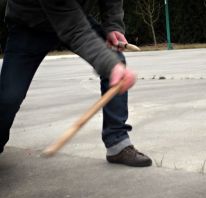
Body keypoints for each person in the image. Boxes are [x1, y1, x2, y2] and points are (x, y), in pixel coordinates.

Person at [0, 0, 152, 167]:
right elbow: (73, 29)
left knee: (115, 62)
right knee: (9, 96)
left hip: (75, 16)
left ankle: (117, 143)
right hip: (30, 24)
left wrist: (113, 26)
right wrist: (111, 66)